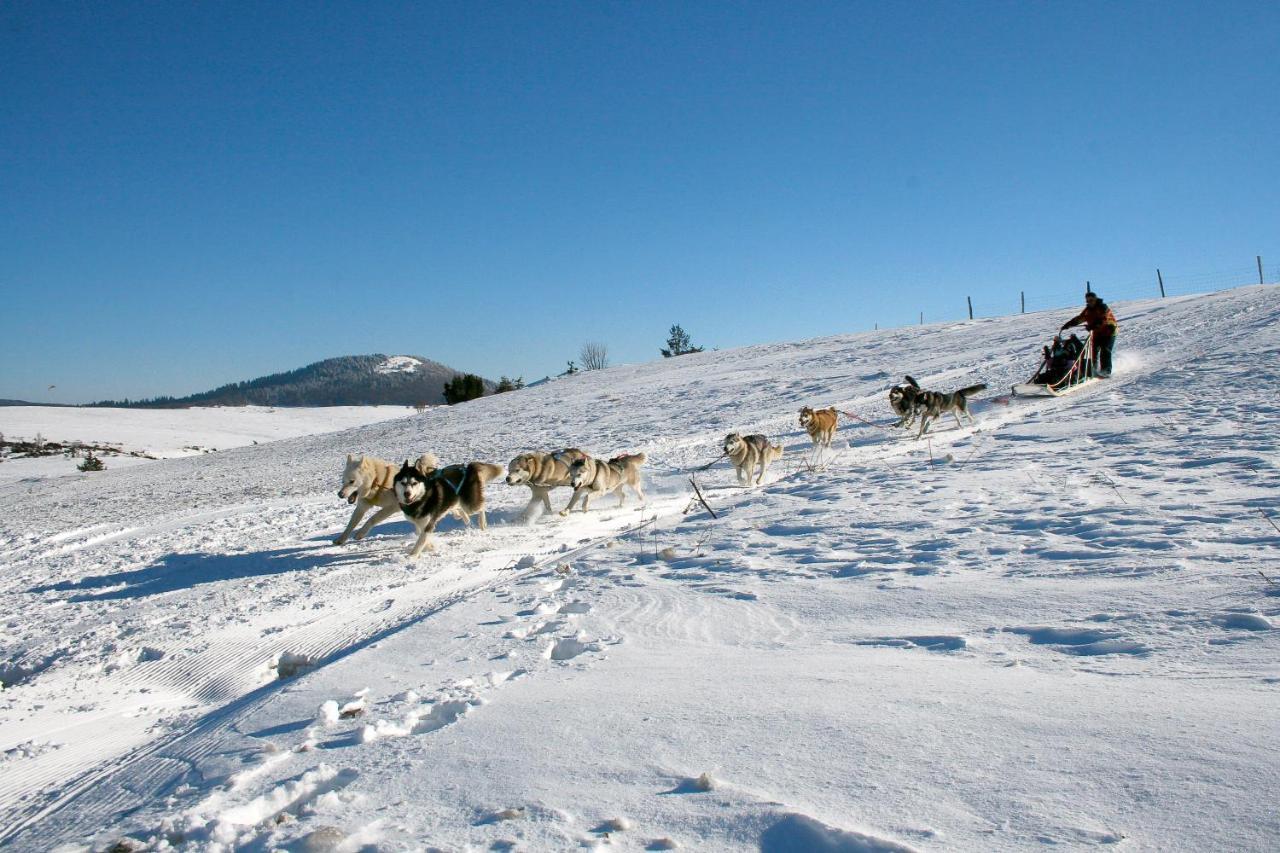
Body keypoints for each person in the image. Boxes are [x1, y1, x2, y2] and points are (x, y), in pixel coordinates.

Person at [1060, 291, 1118, 377]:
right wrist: (1068, 324)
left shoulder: (1102, 307)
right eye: (1087, 301)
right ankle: (1092, 370)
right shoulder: (1088, 311)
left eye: (1091, 300)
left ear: (1095, 299)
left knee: (1105, 350)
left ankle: (1106, 371)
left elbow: (1103, 319)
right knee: (1093, 351)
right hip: (1097, 333)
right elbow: (1080, 319)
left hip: (1109, 332)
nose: (1089, 302)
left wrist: (1092, 326)